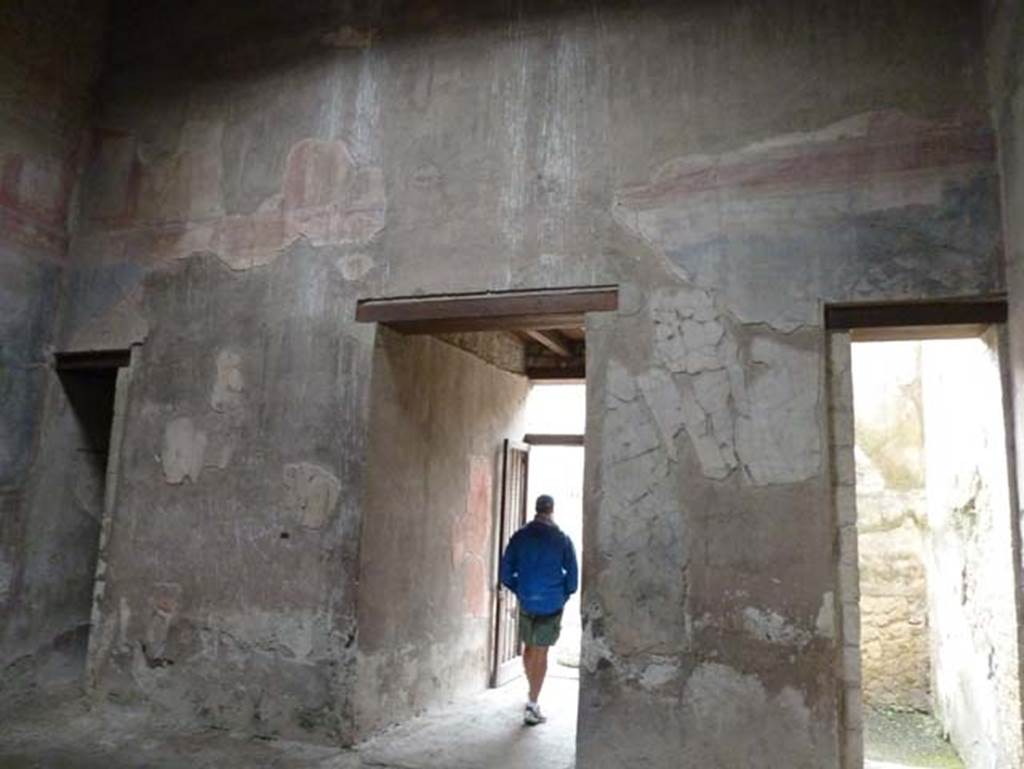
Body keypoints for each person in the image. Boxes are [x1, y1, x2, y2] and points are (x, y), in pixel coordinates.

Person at [499, 494, 578, 726]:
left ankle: (531, 689)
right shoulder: (562, 539)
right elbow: (572, 580)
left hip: (527, 600)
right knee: (541, 653)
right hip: (551, 603)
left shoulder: (519, 537)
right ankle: (533, 703)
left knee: (529, 647)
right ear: (552, 510)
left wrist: (520, 589)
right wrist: (562, 594)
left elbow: (505, 574)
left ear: (536, 510)